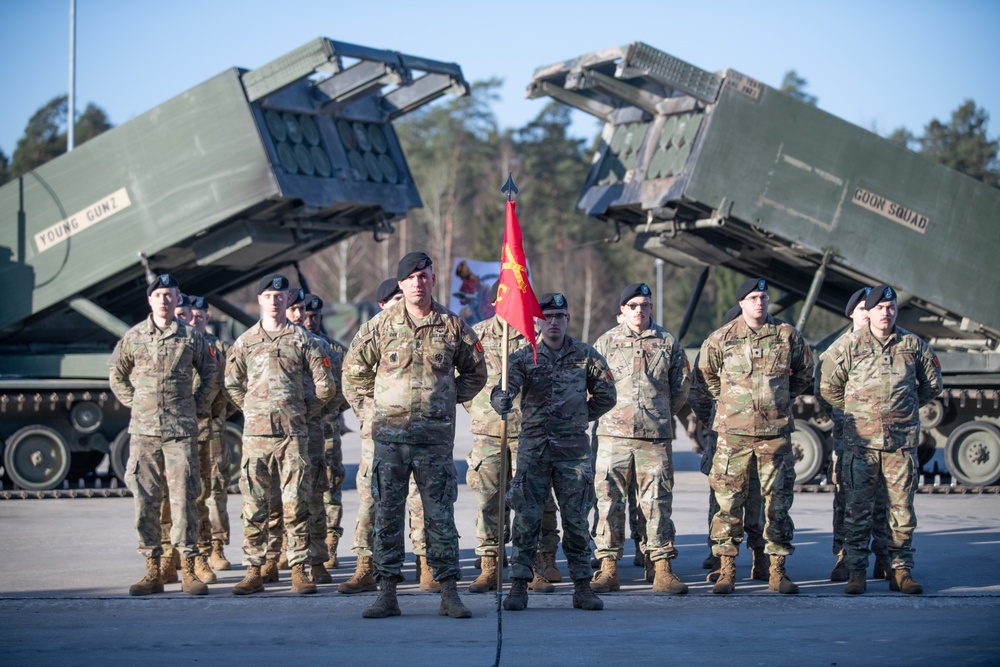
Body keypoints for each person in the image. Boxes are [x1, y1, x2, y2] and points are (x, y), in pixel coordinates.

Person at [343, 252, 487, 619]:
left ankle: (449, 592)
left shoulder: (452, 326)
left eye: (424, 276)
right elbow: (353, 374)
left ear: (432, 281)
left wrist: (447, 399)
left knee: (440, 517)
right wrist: (369, 412)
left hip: (434, 442)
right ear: (401, 284)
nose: (418, 282)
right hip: (390, 441)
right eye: (411, 277)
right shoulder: (379, 326)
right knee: (388, 517)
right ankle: (387, 594)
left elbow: (476, 372)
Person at [492, 292, 617, 612]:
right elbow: (504, 388)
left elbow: (606, 395)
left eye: (560, 316)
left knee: (576, 519)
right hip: (534, 448)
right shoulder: (523, 357)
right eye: (547, 316)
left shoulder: (585, 356)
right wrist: (501, 399)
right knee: (527, 518)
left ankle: (582, 587)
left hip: (573, 451)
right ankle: (520, 584)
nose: (554, 322)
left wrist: (578, 417)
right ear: (537, 321)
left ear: (568, 320)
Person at [818, 285, 942, 595]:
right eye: (880, 308)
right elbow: (828, 388)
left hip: (900, 445)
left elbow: (932, 384)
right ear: (868, 312)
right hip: (861, 446)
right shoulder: (848, 346)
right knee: (858, 510)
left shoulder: (912, 345)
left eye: (891, 307)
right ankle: (856, 570)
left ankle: (900, 570)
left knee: (901, 512)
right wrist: (857, 413)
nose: (886, 313)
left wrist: (907, 406)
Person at [698, 278, 813, 595]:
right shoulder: (722, 338)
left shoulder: (787, 335)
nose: (759, 302)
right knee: (728, 505)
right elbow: (706, 376)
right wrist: (729, 405)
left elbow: (804, 372)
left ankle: (777, 571)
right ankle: (726, 570)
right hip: (733, 436)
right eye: (752, 298)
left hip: (773, 435)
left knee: (777, 504)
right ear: (742, 303)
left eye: (763, 297)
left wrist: (780, 402)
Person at [109, 274, 219, 596]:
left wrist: (196, 406)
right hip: (144, 433)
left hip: (180, 433)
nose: (163, 300)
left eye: (169, 295)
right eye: (158, 295)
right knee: (146, 501)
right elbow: (117, 373)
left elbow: (211, 373)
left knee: (185, 499)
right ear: (150, 300)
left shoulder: (190, 337)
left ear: (176, 299)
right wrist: (135, 403)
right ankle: (153, 570)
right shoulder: (134, 337)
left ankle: (188, 568)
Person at [225, 274, 335, 596]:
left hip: (293, 436)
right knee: (254, 506)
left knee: (296, 503)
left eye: (280, 296)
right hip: (256, 437)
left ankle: (299, 569)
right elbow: (232, 383)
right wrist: (252, 408)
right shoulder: (245, 342)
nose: (274, 301)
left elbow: (326, 386)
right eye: (268, 296)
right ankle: (254, 570)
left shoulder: (305, 341)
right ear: (260, 300)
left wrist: (301, 411)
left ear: (288, 301)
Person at [591, 283, 690, 594]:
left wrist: (656, 415)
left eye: (644, 305)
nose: (639, 311)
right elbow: (591, 386)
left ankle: (661, 567)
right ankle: (608, 568)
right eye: (632, 306)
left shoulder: (667, 343)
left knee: (657, 502)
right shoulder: (605, 343)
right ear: (622, 311)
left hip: (654, 437)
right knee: (609, 502)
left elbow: (681, 387)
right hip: (612, 437)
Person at [463, 282, 560, 594]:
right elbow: (465, 379)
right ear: (495, 304)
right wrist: (479, 410)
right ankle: (490, 565)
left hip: (529, 434)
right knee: (488, 500)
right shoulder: (474, 336)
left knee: (534, 501)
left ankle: (534, 565)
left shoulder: (536, 336)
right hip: (488, 433)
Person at [339, 278, 432, 594]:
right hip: (380, 435)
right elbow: (351, 379)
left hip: (420, 432)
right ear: (382, 304)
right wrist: (371, 412)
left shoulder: (424, 332)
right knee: (372, 500)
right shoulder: (374, 334)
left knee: (420, 500)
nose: (400, 302)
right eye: (394, 298)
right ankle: (366, 566)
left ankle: (426, 565)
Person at [815, 288, 892, 582]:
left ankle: (884, 555)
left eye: (869, 309)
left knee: (885, 500)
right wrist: (850, 414)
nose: (868, 314)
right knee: (847, 500)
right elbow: (823, 392)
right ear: (852, 314)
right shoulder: (839, 349)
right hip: (850, 439)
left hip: (887, 439)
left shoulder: (892, 346)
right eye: (862, 309)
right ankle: (845, 556)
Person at [688, 305, 769, 583]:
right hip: (722, 437)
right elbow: (697, 393)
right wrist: (718, 417)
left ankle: (761, 556)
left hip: (760, 435)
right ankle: (718, 555)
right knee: (721, 500)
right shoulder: (715, 346)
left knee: (759, 498)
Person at [189, 295, 235, 572]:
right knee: (188, 493)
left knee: (215, 491)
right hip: (181, 431)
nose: (195, 320)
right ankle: (190, 550)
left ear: (207, 317)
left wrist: (217, 417)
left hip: (213, 430)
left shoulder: (220, 349)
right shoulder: (180, 345)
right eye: (190, 315)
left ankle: (217, 547)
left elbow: (231, 390)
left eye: (200, 315)